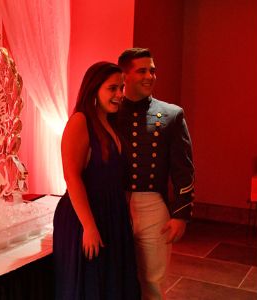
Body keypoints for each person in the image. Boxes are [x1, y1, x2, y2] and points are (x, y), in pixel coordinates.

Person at [113, 48, 196, 300]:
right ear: (124, 76)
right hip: (114, 205)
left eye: (152, 70)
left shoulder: (172, 114)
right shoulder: (109, 113)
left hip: (152, 206)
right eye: (142, 70)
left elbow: (184, 169)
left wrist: (181, 214)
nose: (150, 75)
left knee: (153, 282)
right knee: (116, 278)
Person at [53, 61, 138, 299]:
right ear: (94, 89)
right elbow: (72, 177)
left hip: (112, 213)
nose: (120, 94)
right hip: (86, 215)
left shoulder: (111, 123)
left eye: (121, 88)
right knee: (90, 286)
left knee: (111, 283)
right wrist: (89, 227)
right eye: (112, 88)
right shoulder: (80, 121)